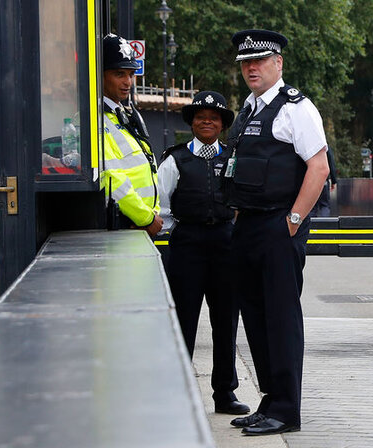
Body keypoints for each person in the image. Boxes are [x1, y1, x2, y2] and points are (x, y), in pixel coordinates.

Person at [224, 29, 329, 436]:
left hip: (278, 225)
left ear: (278, 63)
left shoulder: (296, 109)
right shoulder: (250, 109)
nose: (252, 68)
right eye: (246, 63)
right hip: (249, 224)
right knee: (256, 316)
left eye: (260, 61)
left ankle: (287, 409)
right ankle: (270, 400)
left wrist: (293, 221)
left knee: (281, 318)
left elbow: (318, 168)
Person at [158, 91, 249, 416]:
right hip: (187, 246)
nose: (206, 121)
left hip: (226, 244)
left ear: (223, 124)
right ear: (192, 123)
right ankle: (178, 394)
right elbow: (162, 207)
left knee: (226, 322)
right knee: (183, 321)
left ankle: (224, 394)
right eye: (200, 116)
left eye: (213, 117)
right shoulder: (175, 159)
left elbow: (243, 199)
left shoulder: (234, 158)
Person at [100, 34, 162, 236]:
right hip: (125, 225)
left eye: (131, 74)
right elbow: (111, 178)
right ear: (100, 75)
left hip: (139, 224)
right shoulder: (95, 121)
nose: (128, 82)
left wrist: (152, 214)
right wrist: (146, 218)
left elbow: (149, 168)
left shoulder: (124, 114)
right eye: (119, 74)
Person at [310, 146, 338, 217]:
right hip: (323, 181)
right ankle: (325, 225)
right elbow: (331, 164)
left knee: (311, 206)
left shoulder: (308, 148)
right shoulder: (325, 147)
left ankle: (313, 226)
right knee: (324, 205)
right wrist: (334, 180)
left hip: (310, 181)